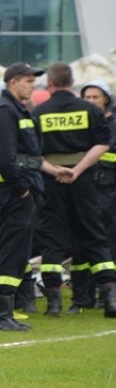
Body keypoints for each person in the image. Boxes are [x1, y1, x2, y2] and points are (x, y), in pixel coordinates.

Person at [0, 63, 70, 331]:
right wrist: (21, 187)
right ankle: (0, 316)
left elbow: (28, 156)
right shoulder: (5, 111)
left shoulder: (17, 110)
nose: (33, 85)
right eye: (28, 81)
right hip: (14, 193)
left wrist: (52, 169)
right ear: (13, 83)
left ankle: (5, 313)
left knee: (17, 252)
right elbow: (4, 157)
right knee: (10, 251)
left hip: (22, 190)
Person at [32, 63, 116, 316]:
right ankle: (110, 296)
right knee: (93, 234)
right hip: (85, 181)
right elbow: (103, 144)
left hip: (51, 181)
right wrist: (78, 170)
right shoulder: (90, 109)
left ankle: (54, 303)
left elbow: (33, 152)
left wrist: (55, 170)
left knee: (52, 238)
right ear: (72, 83)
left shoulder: (39, 112)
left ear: (50, 84)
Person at [80, 80, 116, 314]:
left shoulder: (111, 123)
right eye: (87, 97)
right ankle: (85, 294)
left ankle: (108, 293)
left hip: (110, 188)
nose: (91, 101)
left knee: (109, 241)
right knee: (84, 241)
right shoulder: (83, 123)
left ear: (106, 99)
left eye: (95, 97)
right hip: (88, 188)